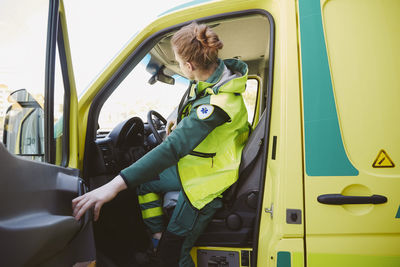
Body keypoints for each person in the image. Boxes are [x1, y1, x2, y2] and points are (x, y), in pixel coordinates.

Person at [72, 22, 250, 267]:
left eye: (177, 62)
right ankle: (156, 239)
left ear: (189, 66)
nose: (178, 66)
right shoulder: (212, 80)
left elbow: (173, 148)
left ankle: (164, 251)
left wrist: (112, 186)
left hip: (209, 182)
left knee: (173, 256)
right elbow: (186, 115)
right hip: (199, 165)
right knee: (145, 183)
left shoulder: (218, 104)